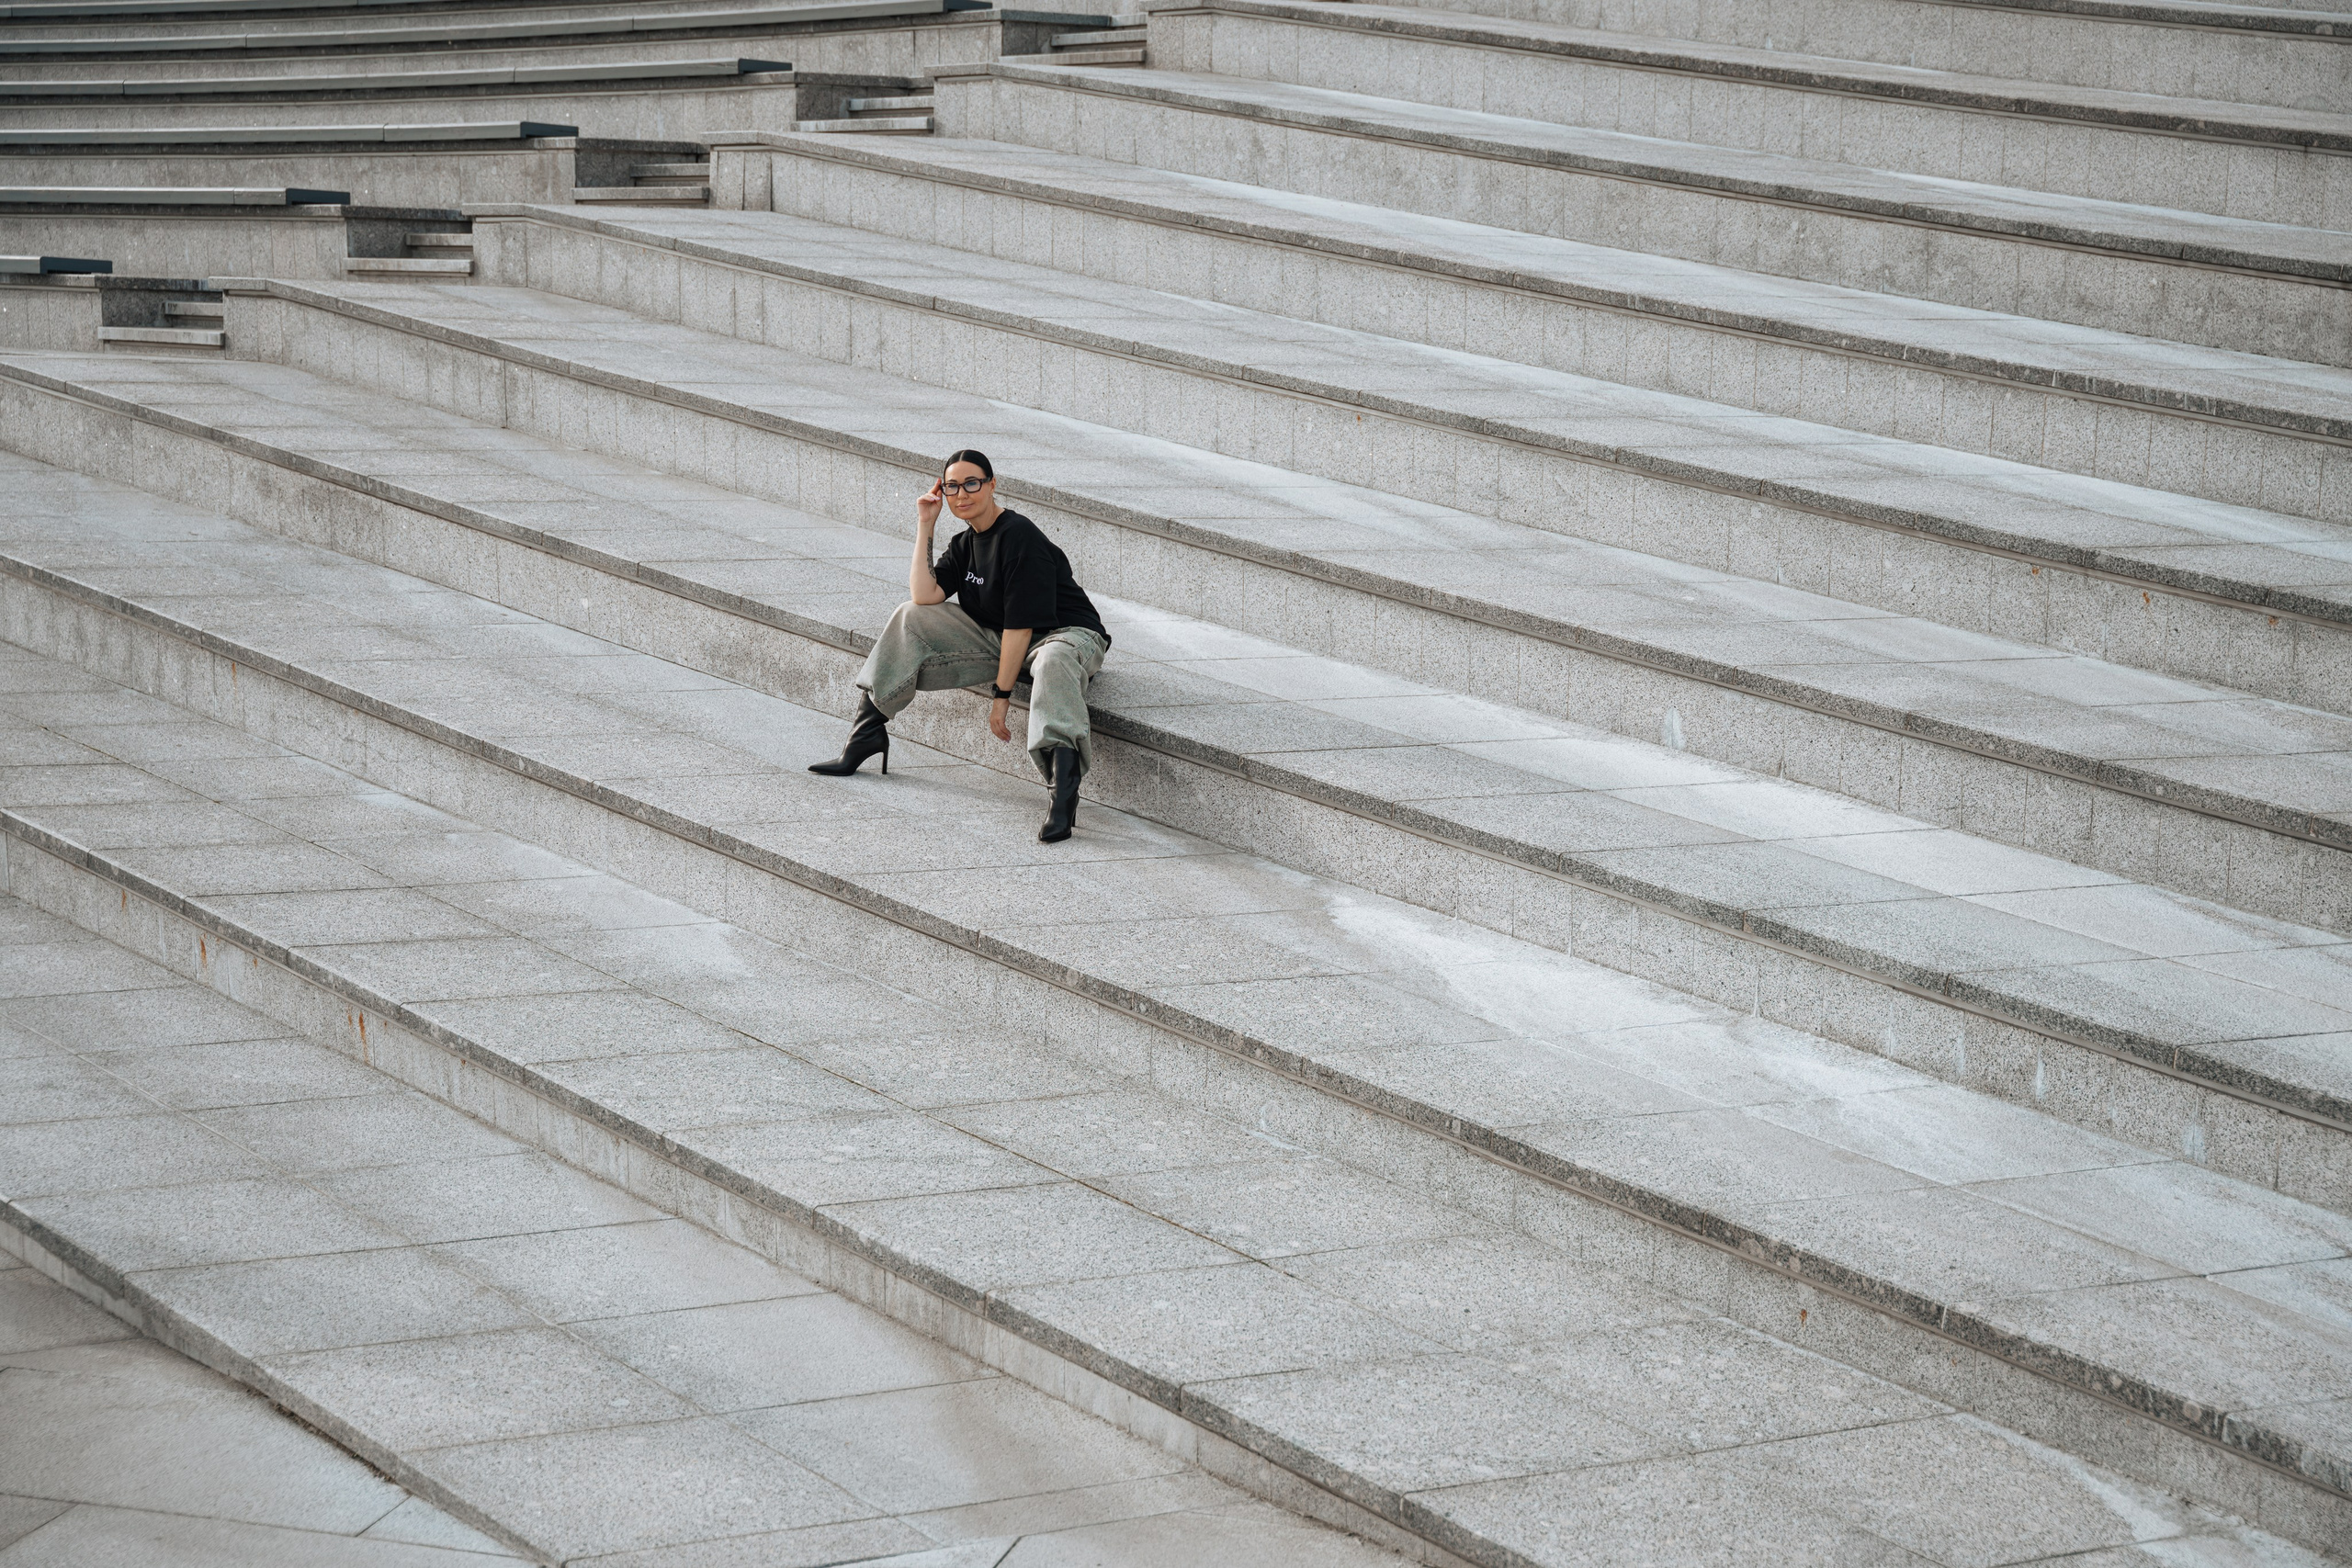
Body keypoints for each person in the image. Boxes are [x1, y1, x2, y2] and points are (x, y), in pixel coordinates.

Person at [808, 448, 1112, 843]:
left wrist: (1000, 698)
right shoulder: (965, 542)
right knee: (909, 615)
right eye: (952, 487)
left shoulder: (1019, 536)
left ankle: (1062, 794)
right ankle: (865, 735)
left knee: (1052, 660)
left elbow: (1021, 627)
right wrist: (925, 524)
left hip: (1065, 635)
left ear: (992, 485)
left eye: (972, 483)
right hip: (1000, 636)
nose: (961, 494)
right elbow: (924, 594)